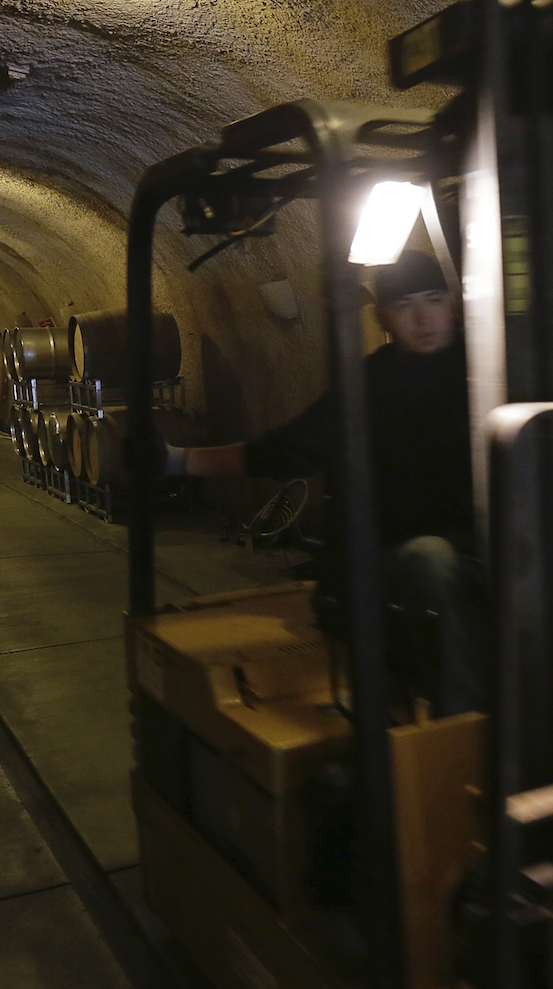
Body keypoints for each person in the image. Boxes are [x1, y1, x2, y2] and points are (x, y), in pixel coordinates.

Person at [164, 252, 484, 717]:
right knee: (431, 559)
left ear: (452, 303)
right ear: (383, 317)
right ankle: (464, 729)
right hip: (386, 557)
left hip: (477, 541)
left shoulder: (485, 368)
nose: (423, 318)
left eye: (433, 300)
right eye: (405, 305)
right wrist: (179, 462)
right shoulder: (367, 387)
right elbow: (281, 451)